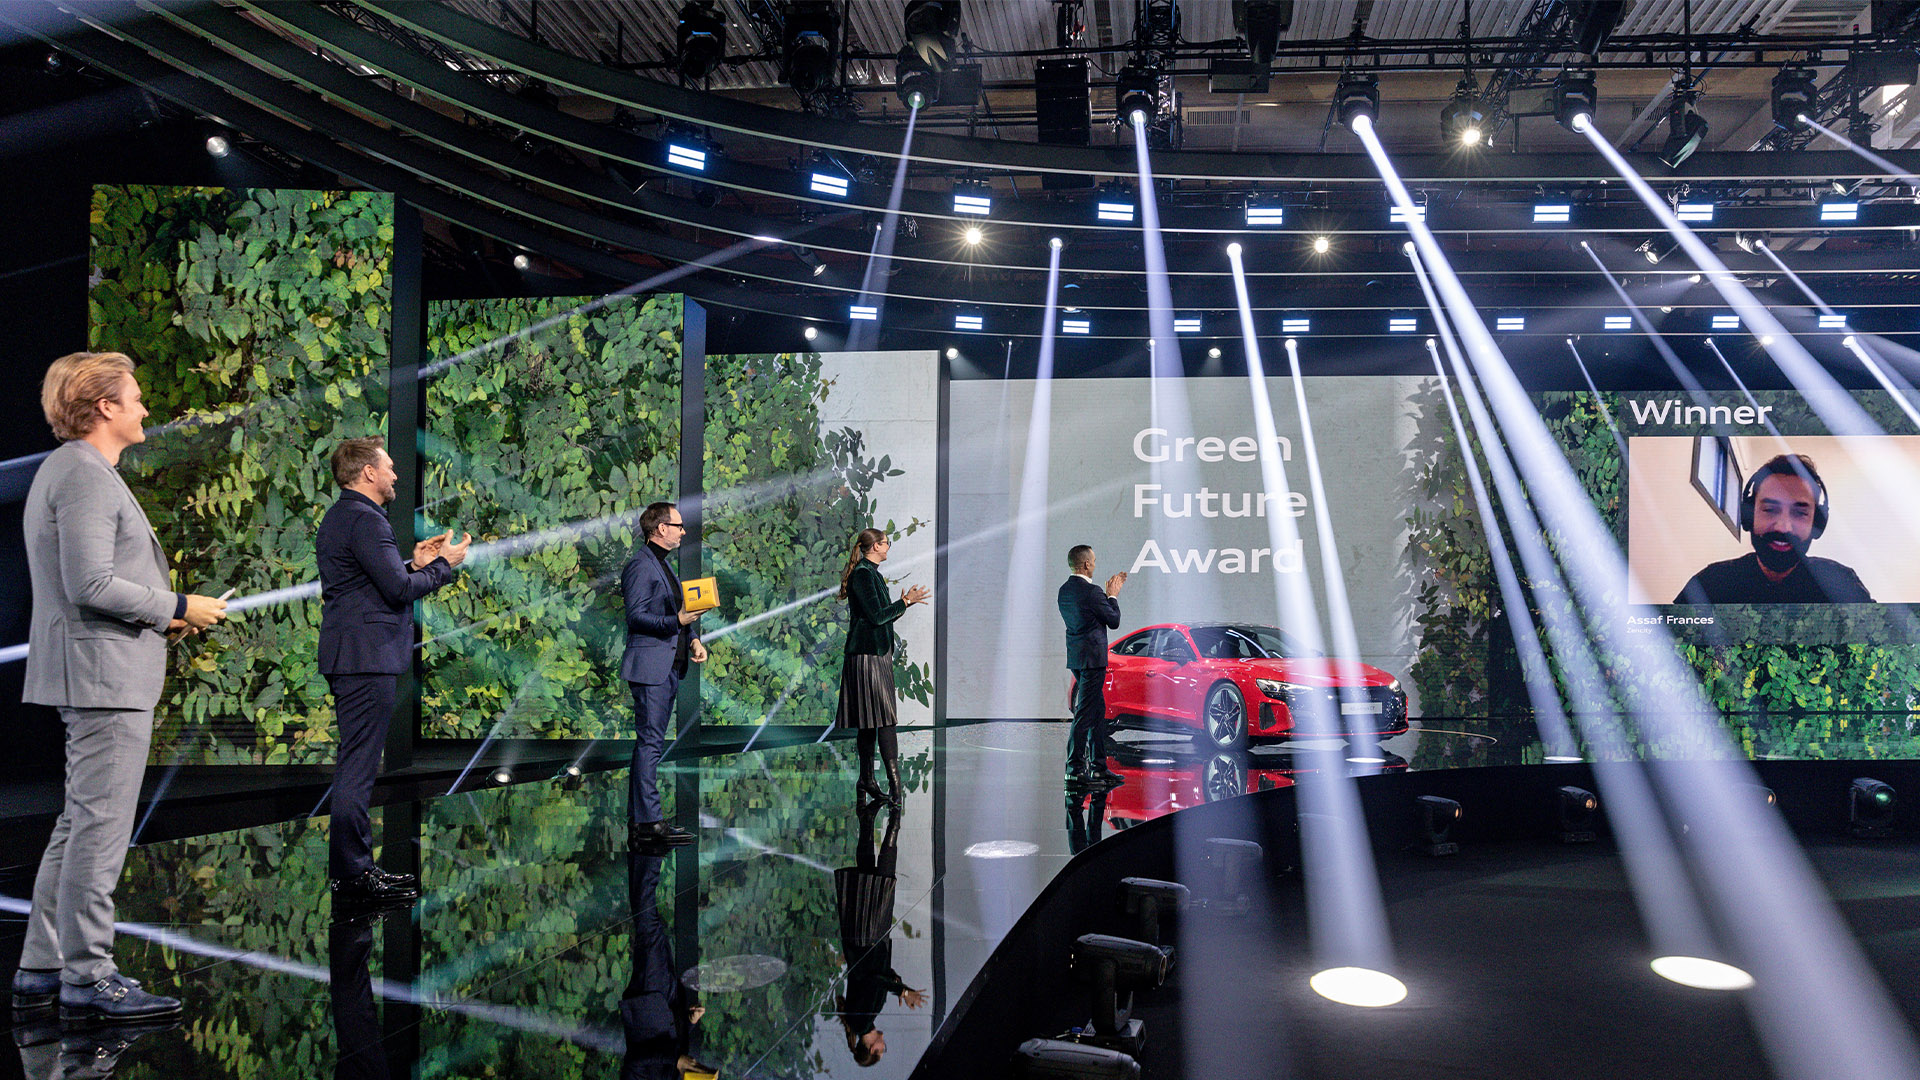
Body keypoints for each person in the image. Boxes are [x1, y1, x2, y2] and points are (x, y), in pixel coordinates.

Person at [16, 351, 227, 1023]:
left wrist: (163, 617)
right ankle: (89, 976)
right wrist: (176, 606)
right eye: (133, 398)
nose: (143, 409)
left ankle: (41, 969)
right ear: (103, 406)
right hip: (102, 679)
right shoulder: (81, 475)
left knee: (79, 824)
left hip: (100, 668)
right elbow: (91, 584)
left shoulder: (79, 472)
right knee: (99, 831)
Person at [317, 437, 469, 905]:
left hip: (356, 655)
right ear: (367, 473)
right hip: (364, 658)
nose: (396, 476)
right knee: (358, 768)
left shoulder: (348, 517)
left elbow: (380, 580)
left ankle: (353, 872)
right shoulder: (364, 519)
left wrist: (415, 562)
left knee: (357, 764)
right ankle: (355, 875)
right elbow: (400, 591)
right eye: (389, 467)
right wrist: (442, 566)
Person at [1673, 453, 1872, 605]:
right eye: (1770, 509)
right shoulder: (1711, 583)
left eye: (1800, 513)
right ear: (1749, 515)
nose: (1783, 526)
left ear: (1816, 524)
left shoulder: (1841, 583)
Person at [622, 502, 707, 847]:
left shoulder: (663, 566)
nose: (683, 531)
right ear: (660, 528)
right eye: (679, 525)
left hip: (668, 666)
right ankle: (649, 823)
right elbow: (637, 617)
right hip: (651, 668)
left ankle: (642, 820)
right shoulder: (641, 566)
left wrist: (694, 639)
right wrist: (679, 622)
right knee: (651, 744)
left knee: (650, 744)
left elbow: (677, 612)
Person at [835, 528, 930, 807]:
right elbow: (877, 617)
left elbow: (880, 617)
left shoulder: (871, 573)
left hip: (875, 655)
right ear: (875, 546)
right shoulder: (863, 575)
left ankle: (867, 779)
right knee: (884, 719)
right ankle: (895, 786)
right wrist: (903, 602)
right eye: (886, 543)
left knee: (870, 722)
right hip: (867, 658)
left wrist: (904, 605)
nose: (889, 546)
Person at [834, 801, 923, 1067]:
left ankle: (894, 814)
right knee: (869, 873)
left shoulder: (861, 1020)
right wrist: (897, 984)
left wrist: (902, 992)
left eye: (881, 1051)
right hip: (866, 937)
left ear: (871, 1049)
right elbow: (875, 977)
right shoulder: (865, 1019)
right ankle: (868, 817)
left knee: (883, 877)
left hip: (868, 936)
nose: (884, 1047)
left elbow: (871, 978)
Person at [620, 846, 713, 1080]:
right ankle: (641, 844)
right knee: (650, 927)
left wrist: (676, 1061)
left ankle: (650, 851)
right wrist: (689, 1024)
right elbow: (676, 1049)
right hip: (669, 1002)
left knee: (649, 929)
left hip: (649, 1003)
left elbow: (634, 1061)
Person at [1058, 545, 1126, 787]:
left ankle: (1099, 768)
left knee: (1096, 713)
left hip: (1077, 658)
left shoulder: (1064, 591)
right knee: (1085, 714)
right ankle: (1074, 769)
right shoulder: (1093, 592)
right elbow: (1114, 621)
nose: (1095, 564)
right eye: (1094, 561)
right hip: (1093, 661)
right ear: (1086, 564)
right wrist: (1113, 595)